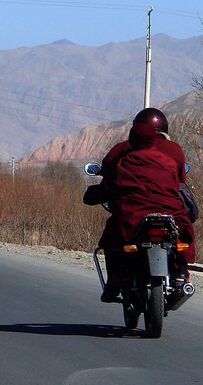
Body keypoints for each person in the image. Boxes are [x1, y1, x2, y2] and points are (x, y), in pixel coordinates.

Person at [84, 113, 195, 303]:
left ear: (132, 136)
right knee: (182, 231)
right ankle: (181, 272)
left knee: (113, 238)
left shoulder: (123, 158)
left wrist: (93, 195)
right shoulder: (170, 157)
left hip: (133, 214)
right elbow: (179, 183)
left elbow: (110, 185)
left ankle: (115, 281)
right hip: (170, 211)